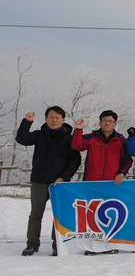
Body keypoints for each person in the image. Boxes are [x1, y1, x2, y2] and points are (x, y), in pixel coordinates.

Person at [16, 106, 81, 256]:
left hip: (59, 184)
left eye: (57, 118)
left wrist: (63, 177)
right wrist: (27, 122)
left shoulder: (69, 139)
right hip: (39, 181)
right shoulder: (39, 135)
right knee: (35, 214)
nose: (54, 120)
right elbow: (22, 139)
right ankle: (32, 244)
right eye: (51, 117)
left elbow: (74, 161)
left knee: (58, 215)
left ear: (63, 120)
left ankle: (57, 245)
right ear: (46, 119)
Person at [71, 110, 132, 183]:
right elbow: (76, 146)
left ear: (115, 124)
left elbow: (127, 159)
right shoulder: (92, 138)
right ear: (100, 123)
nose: (107, 123)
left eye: (110, 121)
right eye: (104, 120)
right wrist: (78, 129)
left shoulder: (121, 140)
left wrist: (121, 173)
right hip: (91, 182)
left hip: (112, 183)